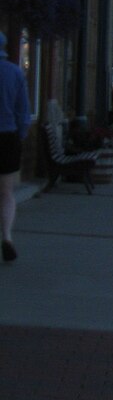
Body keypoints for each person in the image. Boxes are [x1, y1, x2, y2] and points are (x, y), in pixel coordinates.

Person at [0, 31, 32, 263]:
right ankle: (7, 236)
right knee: (6, 193)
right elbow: (24, 111)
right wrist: (20, 135)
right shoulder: (14, 72)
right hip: (7, 137)